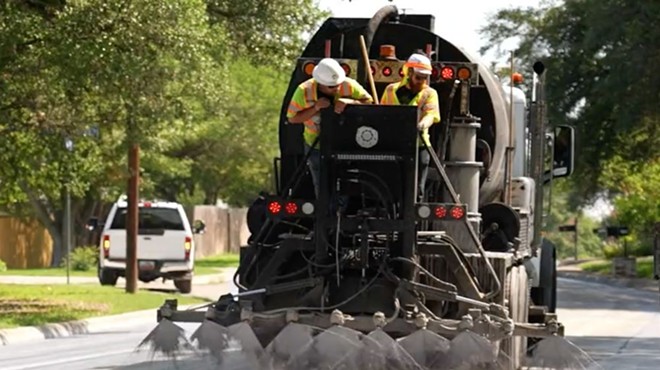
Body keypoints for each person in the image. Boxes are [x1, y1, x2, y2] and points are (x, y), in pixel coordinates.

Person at [286, 58, 374, 197]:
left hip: (344, 143)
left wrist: (350, 101)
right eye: (332, 87)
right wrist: (315, 107)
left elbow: (370, 103)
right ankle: (324, 213)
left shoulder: (349, 85)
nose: (337, 88)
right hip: (315, 144)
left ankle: (341, 212)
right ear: (320, 83)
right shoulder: (304, 91)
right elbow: (292, 118)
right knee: (321, 183)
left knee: (344, 182)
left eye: (338, 84)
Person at [380, 52, 441, 201]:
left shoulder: (429, 94)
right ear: (409, 72)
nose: (421, 81)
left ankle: (413, 216)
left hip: (418, 146)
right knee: (392, 186)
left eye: (424, 78)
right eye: (418, 77)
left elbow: (432, 114)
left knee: (416, 188)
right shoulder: (391, 90)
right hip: (394, 145)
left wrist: (422, 125)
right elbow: (382, 113)